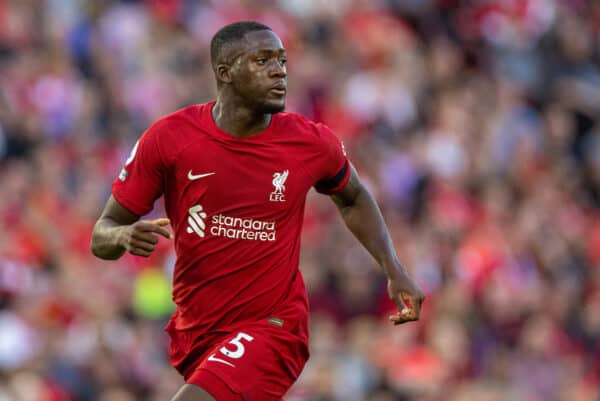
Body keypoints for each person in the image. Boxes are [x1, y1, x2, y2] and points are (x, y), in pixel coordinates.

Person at [91, 21, 424, 401]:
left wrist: (394, 269)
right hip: (199, 330)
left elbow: (354, 197)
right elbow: (103, 233)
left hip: (275, 328)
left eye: (282, 60)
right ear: (225, 72)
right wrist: (121, 235)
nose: (279, 70)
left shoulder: (309, 142)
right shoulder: (170, 139)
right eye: (262, 60)